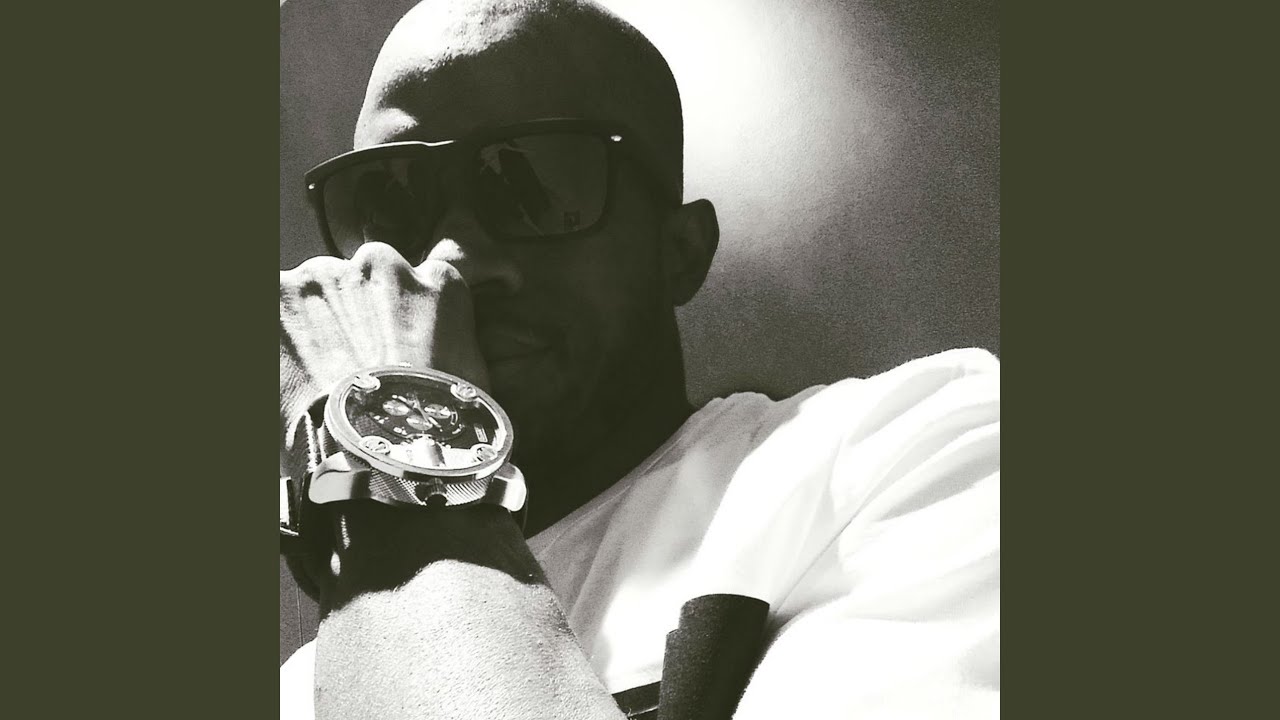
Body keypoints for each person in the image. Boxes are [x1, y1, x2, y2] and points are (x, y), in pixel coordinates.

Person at [279, 1, 1000, 718]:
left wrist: (391, 439)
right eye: (390, 202)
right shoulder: (301, 685)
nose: (453, 261)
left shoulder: (914, 452)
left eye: (533, 186)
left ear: (679, 251)